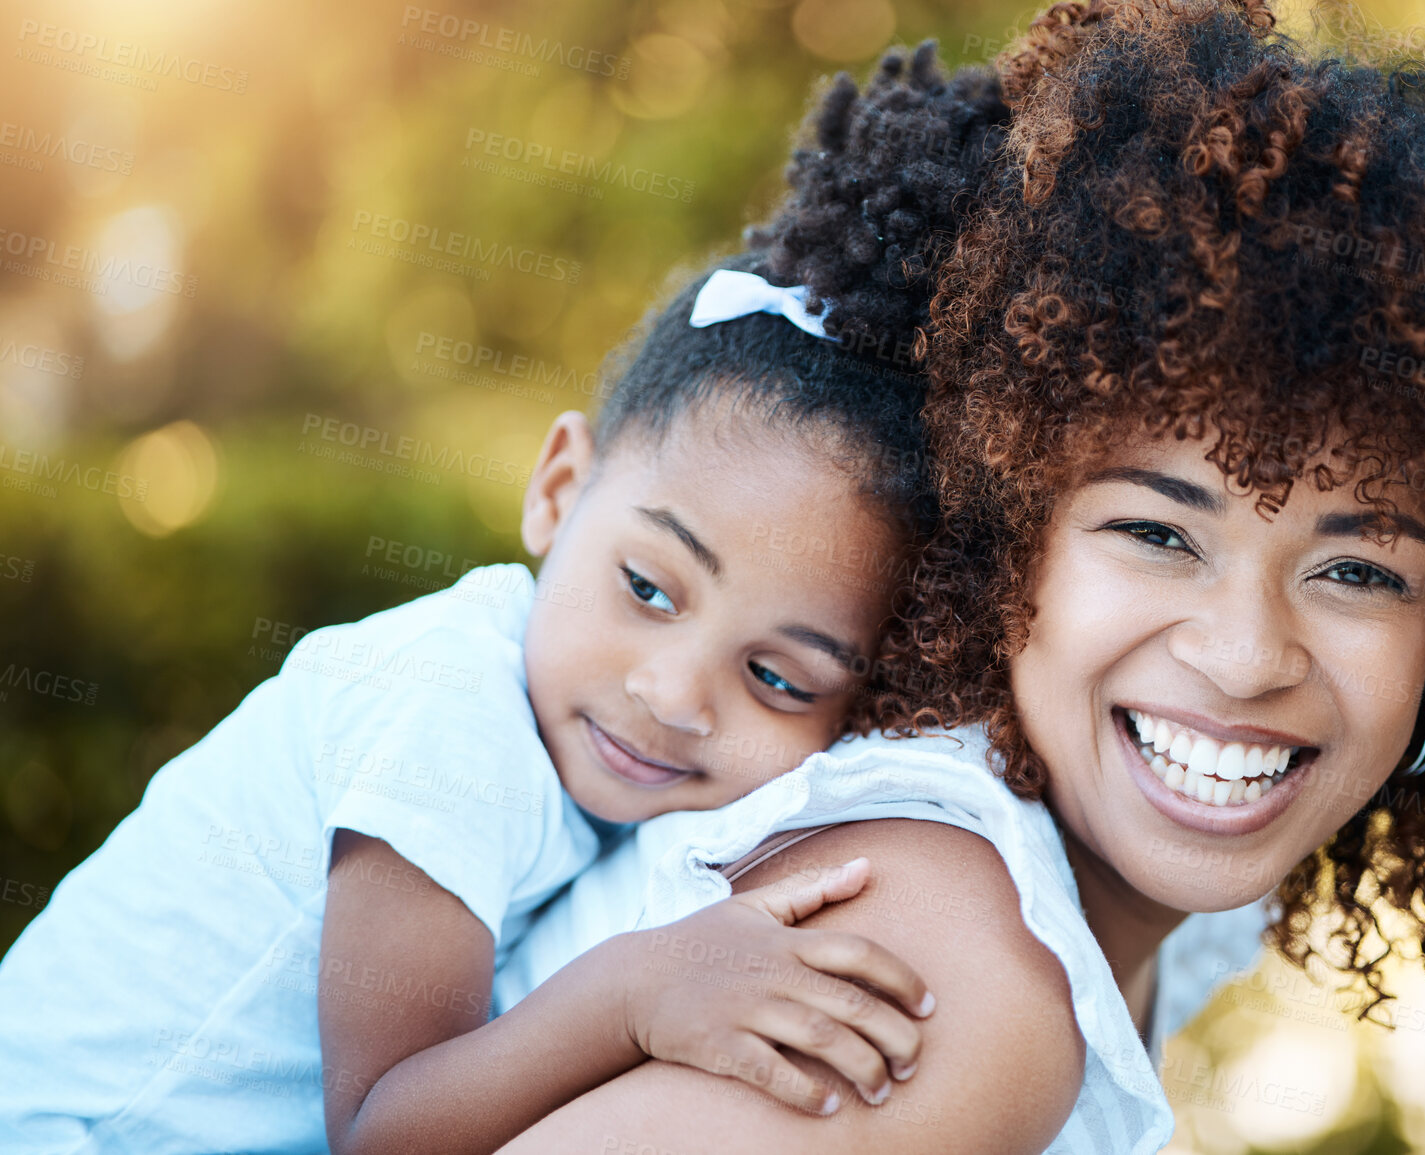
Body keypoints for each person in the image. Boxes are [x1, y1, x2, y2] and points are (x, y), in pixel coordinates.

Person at [494, 2, 1425, 1151]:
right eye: (1159, 534)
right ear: (999, 539)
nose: (1242, 655)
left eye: (1355, 570)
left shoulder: (1165, 906)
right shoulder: (947, 973)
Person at [0, 45, 1013, 1155]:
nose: (673, 693)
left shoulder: (597, 765)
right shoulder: (449, 710)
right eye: (647, 588)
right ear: (557, 491)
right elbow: (385, 1130)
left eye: (779, 677)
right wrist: (638, 993)